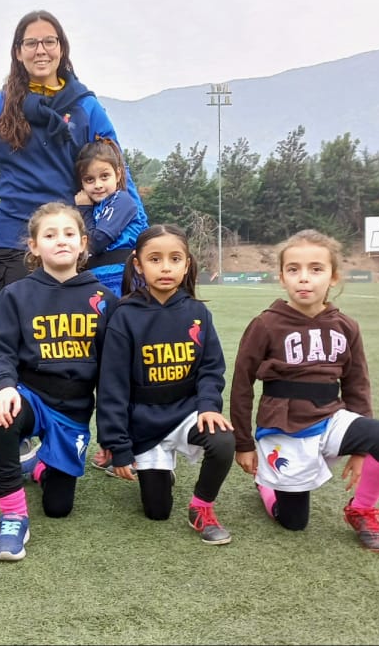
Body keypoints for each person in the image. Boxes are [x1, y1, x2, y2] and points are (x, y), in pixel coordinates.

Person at [0, 9, 147, 292]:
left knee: (78, 333)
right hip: (17, 242)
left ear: (62, 49)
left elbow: (120, 173)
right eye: (31, 43)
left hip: (71, 243)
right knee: (23, 334)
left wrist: (143, 236)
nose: (41, 50)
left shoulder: (86, 107)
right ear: (17, 52)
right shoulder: (0, 106)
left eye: (49, 42)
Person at [230, 229, 379, 553]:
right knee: (294, 523)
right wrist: (243, 444)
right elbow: (242, 385)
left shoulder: (346, 327)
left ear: (333, 276)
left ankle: (361, 510)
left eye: (316, 269)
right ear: (282, 277)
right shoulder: (265, 325)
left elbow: (357, 383)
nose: (304, 279)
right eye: (293, 270)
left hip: (331, 419)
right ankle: (265, 484)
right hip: (284, 426)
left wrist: (361, 450)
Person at [0, 202, 115, 561]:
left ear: (83, 243)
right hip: (30, 397)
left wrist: (114, 434)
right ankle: (13, 517)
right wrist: (5, 385)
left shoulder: (104, 299)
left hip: (73, 410)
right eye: (50, 235)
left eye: (69, 234)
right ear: (34, 246)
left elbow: (112, 373)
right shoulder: (17, 295)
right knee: (1, 416)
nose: (61, 241)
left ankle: (42, 464)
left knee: (59, 507)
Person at [95, 225, 237, 545]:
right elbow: (112, 387)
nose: (166, 267)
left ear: (186, 264)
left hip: (186, 414)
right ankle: (161, 466)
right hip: (144, 423)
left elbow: (212, 369)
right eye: (155, 259)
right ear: (138, 265)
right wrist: (118, 445)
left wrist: (208, 406)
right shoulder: (124, 315)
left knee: (223, 439)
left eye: (175, 259)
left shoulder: (198, 313)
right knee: (157, 511)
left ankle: (202, 508)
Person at [73, 138, 149, 296]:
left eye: (105, 176)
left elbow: (96, 241)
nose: (98, 185)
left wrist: (84, 210)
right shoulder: (93, 207)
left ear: (118, 174)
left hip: (123, 280)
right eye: (89, 180)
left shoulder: (122, 201)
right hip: (96, 281)